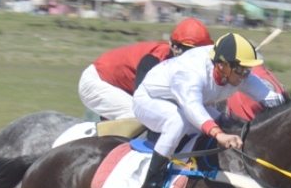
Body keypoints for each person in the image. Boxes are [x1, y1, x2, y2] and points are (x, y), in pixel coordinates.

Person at [131, 32, 274, 188]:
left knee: (227, 123)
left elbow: (270, 97)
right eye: (242, 70)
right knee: (178, 122)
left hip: (187, 104)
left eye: (248, 70)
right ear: (222, 66)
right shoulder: (191, 72)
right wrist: (218, 134)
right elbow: (192, 108)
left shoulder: (234, 71)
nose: (245, 76)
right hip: (150, 101)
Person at [78, 18, 213, 121]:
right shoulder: (155, 59)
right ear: (175, 47)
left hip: (120, 85)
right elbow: (143, 101)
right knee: (136, 115)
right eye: (191, 52)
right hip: (96, 81)